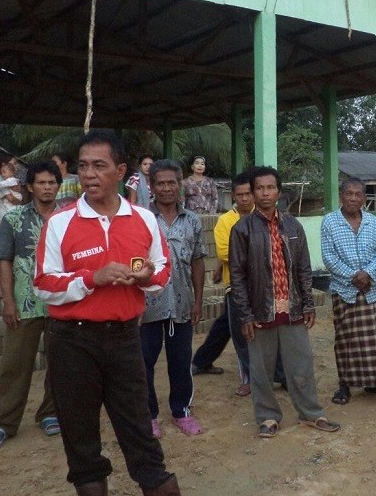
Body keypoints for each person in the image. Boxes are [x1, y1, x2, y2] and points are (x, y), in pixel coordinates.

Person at [33, 131, 180, 496]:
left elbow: (162, 271)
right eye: (83, 166)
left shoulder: (144, 220)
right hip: (71, 342)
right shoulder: (60, 223)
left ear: (120, 170)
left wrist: (146, 277)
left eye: (99, 166)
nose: (89, 175)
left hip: (125, 338)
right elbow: (42, 284)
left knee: (140, 435)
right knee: (81, 442)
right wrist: (91, 278)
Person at [229, 166, 339, 438]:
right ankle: (267, 417)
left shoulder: (293, 225)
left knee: (301, 363)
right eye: (260, 188)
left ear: (278, 192)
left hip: (292, 309)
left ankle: (311, 413)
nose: (265, 193)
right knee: (262, 369)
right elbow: (238, 275)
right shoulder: (242, 229)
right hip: (259, 311)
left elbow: (303, 267)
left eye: (270, 188)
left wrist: (308, 304)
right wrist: (245, 315)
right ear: (253, 193)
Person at [0, 160, 63, 450]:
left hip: (61, 304)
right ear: (30, 187)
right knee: (15, 365)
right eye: (41, 183)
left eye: (52, 183)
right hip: (25, 304)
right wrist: (8, 302)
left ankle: (50, 413)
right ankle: (5, 422)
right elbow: (5, 261)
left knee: (61, 363)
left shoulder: (67, 218)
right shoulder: (13, 219)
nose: (47, 187)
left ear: (58, 185)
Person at [140, 159, 206, 438]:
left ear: (181, 186)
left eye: (172, 183)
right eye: (161, 183)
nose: (167, 188)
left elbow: (198, 261)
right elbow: (134, 262)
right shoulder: (140, 219)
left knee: (181, 362)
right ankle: (149, 415)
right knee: (144, 363)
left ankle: (181, 411)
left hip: (181, 304)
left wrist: (198, 300)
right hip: (146, 307)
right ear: (152, 186)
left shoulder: (192, 220)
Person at [321, 177, 376, 405]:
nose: (353, 198)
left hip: (373, 289)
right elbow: (329, 258)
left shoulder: (373, 222)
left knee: (374, 337)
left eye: (358, 194)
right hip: (345, 290)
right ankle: (345, 386)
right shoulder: (330, 222)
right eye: (348, 193)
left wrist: (367, 274)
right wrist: (354, 276)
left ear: (364, 198)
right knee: (346, 339)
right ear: (341, 196)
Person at [191, 171, 258, 396]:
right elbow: (226, 252)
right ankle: (249, 377)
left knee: (226, 325)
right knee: (240, 333)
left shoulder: (263, 215)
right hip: (236, 284)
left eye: (249, 193)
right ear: (233, 197)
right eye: (240, 194)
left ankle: (201, 360)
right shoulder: (226, 221)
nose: (245, 198)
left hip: (262, 284)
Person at [0, 159, 23, 224]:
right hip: (3, 212)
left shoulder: (10, 179)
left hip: (14, 198)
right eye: (14, 163)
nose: (16, 166)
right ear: (4, 164)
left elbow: (6, 184)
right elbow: (11, 199)